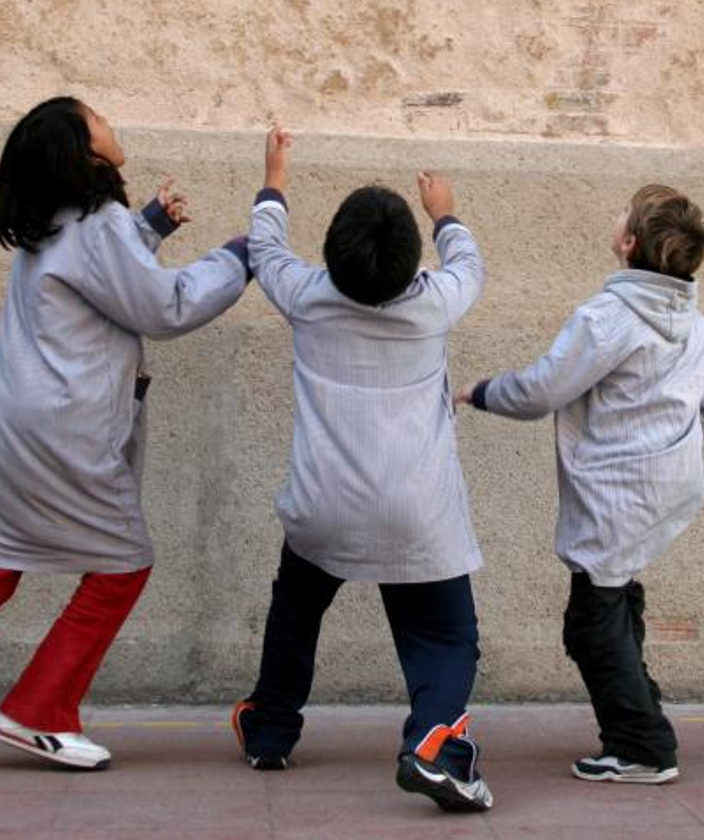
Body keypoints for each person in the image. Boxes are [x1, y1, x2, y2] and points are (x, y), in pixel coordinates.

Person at [0, 96, 251, 773]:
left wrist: (148, 226)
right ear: (83, 150)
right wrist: (238, 259)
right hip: (64, 429)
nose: (111, 124)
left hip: (12, 422)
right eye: (98, 120)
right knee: (123, 563)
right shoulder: (97, 222)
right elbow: (163, 305)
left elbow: (100, 276)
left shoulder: (57, 222)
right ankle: (38, 711)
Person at [232, 127, 492, 811]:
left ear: (334, 256)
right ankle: (435, 742)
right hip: (416, 513)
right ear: (412, 261)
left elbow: (263, 249)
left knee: (295, 613)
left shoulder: (306, 295)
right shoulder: (437, 301)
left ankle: (269, 731)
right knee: (444, 636)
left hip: (324, 508)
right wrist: (445, 212)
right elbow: (469, 262)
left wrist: (276, 178)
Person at [456, 185, 704, 785]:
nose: (614, 216)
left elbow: (544, 389)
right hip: (670, 484)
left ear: (630, 242)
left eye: (621, 215)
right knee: (616, 592)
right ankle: (642, 711)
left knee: (589, 621)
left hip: (618, 490)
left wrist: (482, 392)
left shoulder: (608, 319)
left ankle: (643, 745)